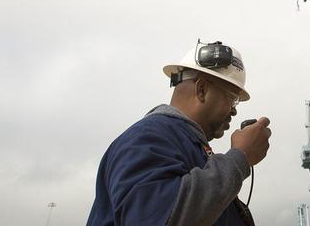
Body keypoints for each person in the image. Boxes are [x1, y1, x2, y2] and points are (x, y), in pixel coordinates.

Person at [87, 41, 272, 226]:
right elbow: (161, 217)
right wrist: (240, 157)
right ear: (201, 89)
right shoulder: (145, 139)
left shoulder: (187, 146)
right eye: (232, 99)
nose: (234, 111)